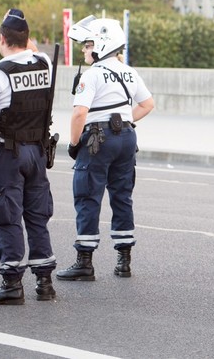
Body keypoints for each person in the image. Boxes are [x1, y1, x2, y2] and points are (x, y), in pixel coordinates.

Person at [0, 9, 57, 305]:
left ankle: (11, 283)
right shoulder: (43, 63)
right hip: (37, 153)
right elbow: (32, 50)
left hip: (8, 154)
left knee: (7, 215)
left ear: (1, 39)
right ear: (27, 38)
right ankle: (45, 282)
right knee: (36, 215)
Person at [56, 16, 154, 281]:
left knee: (88, 196)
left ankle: (84, 263)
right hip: (126, 138)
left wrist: (74, 144)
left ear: (100, 43)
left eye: (87, 45)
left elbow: (79, 114)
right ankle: (124, 261)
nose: (84, 50)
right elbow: (148, 104)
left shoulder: (93, 75)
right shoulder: (129, 71)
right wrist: (124, 120)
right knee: (122, 196)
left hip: (97, 139)